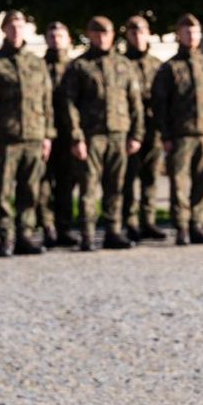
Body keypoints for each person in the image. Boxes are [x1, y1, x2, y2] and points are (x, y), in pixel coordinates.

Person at [60, 16, 144, 251]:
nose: (101, 37)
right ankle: (87, 233)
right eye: (96, 33)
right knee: (88, 187)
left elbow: (134, 102)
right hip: (91, 136)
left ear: (112, 35)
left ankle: (113, 231)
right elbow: (69, 105)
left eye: (106, 33)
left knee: (115, 187)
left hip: (119, 134)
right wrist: (76, 137)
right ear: (89, 35)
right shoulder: (79, 66)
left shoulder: (123, 64)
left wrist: (136, 134)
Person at [0, 11, 53, 257]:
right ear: (4, 30)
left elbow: (46, 101)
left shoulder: (36, 62)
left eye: (20, 25)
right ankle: (5, 236)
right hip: (5, 137)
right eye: (11, 26)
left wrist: (47, 135)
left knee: (30, 189)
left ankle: (25, 234)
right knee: (2, 191)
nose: (16, 30)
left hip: (34, 135)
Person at [152, 14, 203, 246]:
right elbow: (160, 105)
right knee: (180, 184)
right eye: (187, 32)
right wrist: (165, 135)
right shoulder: (169, 68)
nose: (191, 36)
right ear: (179, 35)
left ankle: (197, 224)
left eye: (195, 32)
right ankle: (182, 227)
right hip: (180, 135)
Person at [121, 16, 166, 241]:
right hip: (129, 130)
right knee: (128, 178)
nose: (138, 36)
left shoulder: (157, 64)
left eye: (141, 32)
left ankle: (148, 221)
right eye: (133, 32)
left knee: (150, 178)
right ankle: (129, 223)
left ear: (148, 33)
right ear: (127, 35)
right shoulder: (121, 63)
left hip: (153, 129)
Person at [39, 21, 78, 247]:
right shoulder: (38, 66)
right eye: (52, 36)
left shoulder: (75, 67)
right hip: (43, 133)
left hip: (67, 134)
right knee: (43, 183)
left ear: (68, 40)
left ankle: (64, 226)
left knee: (66, 181)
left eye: (60, 36)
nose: (56, 40)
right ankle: (48, 227)